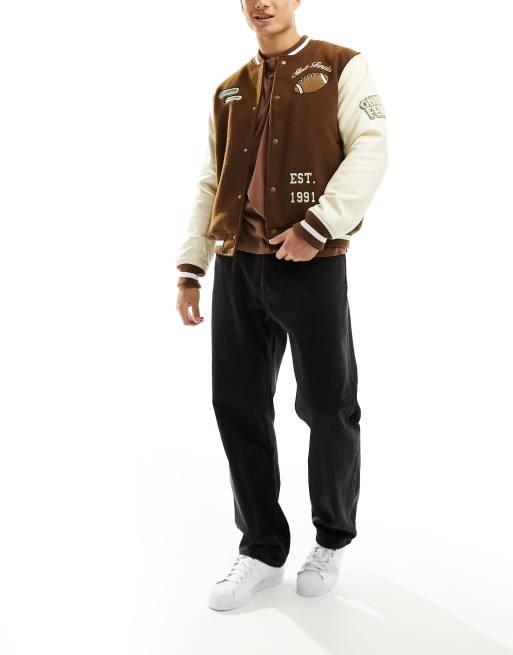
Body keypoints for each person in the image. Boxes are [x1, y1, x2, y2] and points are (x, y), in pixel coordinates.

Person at [175, 0, 388, 611]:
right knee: (236, 404)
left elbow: (370, 149)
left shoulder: (342, 65)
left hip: (311, 262)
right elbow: (212, 180)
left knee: (328, 405)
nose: (261, 3)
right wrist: (192, 266)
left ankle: (331, 538)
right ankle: (263, 548)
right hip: (238, 265)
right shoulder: (229, 90)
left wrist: (318, 226)